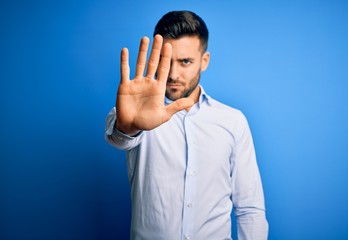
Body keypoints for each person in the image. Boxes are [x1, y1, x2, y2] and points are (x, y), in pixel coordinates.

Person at [105, 10, 268, 240]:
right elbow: (118, 137)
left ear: (204, 61)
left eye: (185, 62)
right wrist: (128, 126)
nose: (173, 74)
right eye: (165, 60)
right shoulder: (137, 112)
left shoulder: (233, 121)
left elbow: (250, 208)